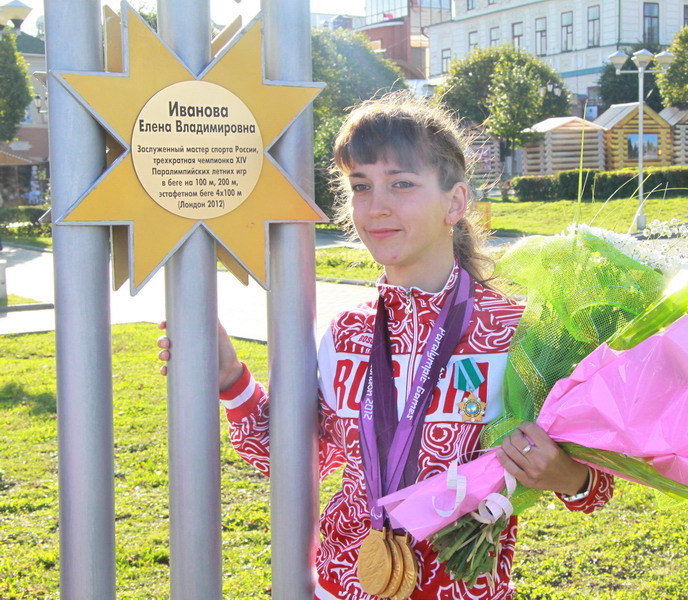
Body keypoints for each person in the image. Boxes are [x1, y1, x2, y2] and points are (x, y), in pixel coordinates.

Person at [157, 92, 613, 600]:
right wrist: (230, 379)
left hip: (463, 589)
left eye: (402, 184)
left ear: (456, 202)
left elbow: (593, 485)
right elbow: (295, 456)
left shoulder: (516, 331)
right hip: (342, 584)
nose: (377, 206)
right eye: (361, 186)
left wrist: (566, 475)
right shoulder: (346, 330)